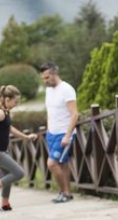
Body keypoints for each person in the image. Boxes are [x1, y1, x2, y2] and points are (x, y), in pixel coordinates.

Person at [0, 85, 37, 211]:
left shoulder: (5, 111)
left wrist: (26, 137)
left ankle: (5, 204)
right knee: (19, 173)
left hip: (3, 150)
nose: (16, 104)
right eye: (15, 101)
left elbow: (9, 128)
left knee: (7, 177)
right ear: (7, 99)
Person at [39, 62, 79, 203]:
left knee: (52, 163)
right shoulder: (48, 90)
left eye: (47, 77)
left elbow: (75, 115)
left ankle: (64, 192)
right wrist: (48, 130)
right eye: (43, 78)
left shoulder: (67, 89)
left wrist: (68, 136)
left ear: (55, 74)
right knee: (63, 163)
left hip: (63, 133)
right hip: (51, 133)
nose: (45, 81)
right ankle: (67, 192)